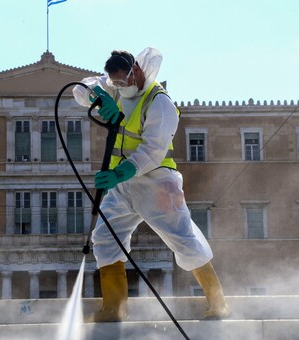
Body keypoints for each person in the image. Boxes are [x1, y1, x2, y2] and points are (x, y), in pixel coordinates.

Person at [73, 47, 229, 322]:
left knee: (183, 239)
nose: (120, 87)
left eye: (123, 81)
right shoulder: (114, 88)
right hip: (122, 185)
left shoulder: (160, 102)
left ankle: (217, 304)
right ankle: (114, 309)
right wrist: (96, 95)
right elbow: (82, 87)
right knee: (105, 238)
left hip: (157, 181)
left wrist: (121, 173)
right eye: (115, 83)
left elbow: (153, 150)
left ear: (137, 71)